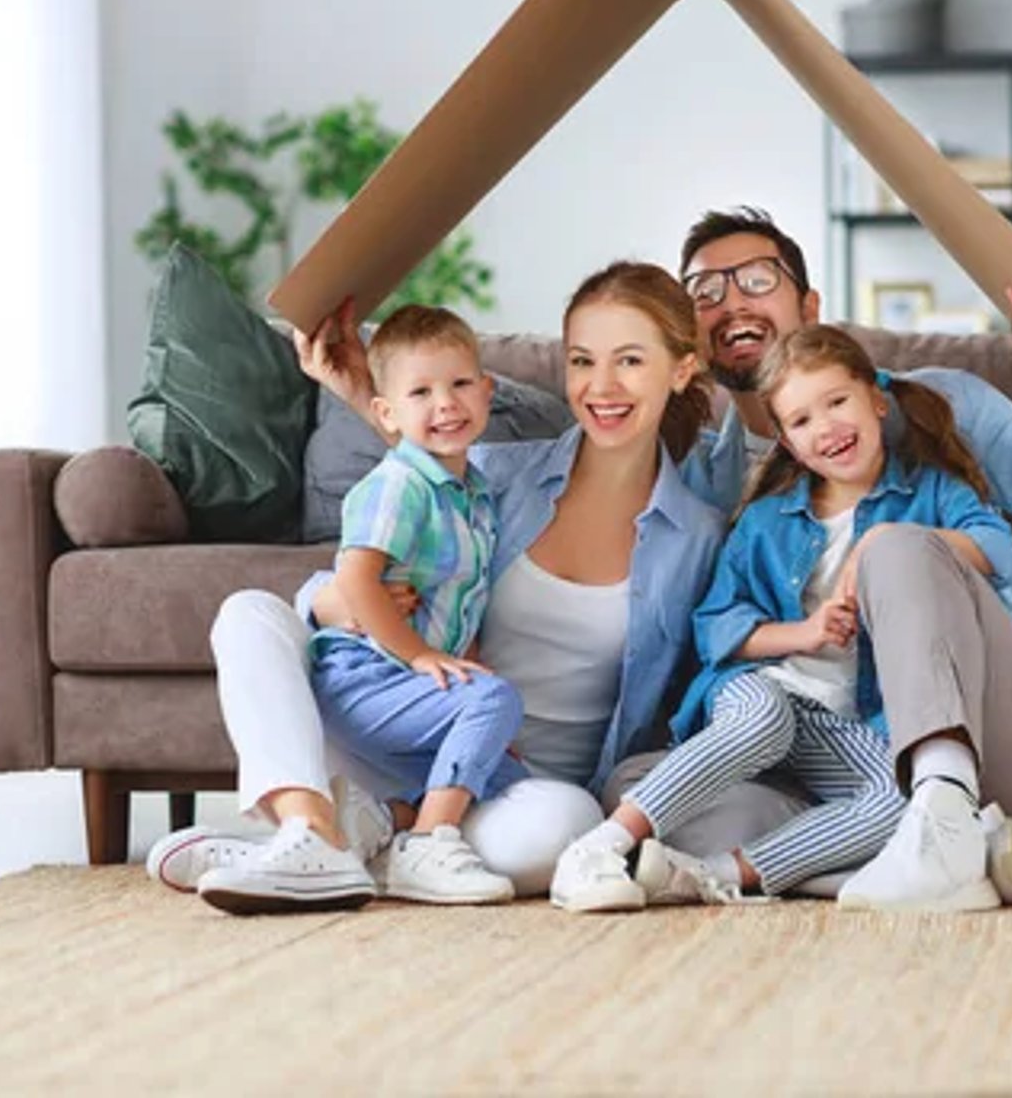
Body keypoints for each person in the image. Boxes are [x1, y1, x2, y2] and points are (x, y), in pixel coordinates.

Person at [147, 263, 725, 910]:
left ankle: (351, 838)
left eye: (630, 361)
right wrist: (333, 601)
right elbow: (413, 480)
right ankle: (311, 825)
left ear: (681, 369)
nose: (602, 385)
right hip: (401, 725)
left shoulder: (699, 535)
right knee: (250, 613)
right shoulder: (500, 476)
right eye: (584, 361)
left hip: (511, 788)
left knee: (567, 827)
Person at [603, 205, 1012, 912]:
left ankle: (940, 813)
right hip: (827, 757)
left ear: (809, 304)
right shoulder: (703, 478)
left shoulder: (937, 415)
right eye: (705, 292)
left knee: (899, 549)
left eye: (757, 279)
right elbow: (700, 627)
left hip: (992, 741)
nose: (731, 303)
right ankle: (859, 859)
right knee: (640, 788)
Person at [552, 326, 1012, 912]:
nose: (827, 428)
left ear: (876, 401)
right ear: (785, 441)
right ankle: (601, 845)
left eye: (837, 402)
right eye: (803, 421)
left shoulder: (930, 492)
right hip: (766, 692)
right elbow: (716, 625)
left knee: (903, 797)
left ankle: (717, 874)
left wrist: (892, 540)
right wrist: (805, 634)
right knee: (765, 719)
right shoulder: (767, 521)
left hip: (845, 723)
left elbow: (1001, 550)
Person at [211, 306, 518, 910]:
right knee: (498, 698)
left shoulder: (478, 497)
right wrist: (421, 654)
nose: (446, 404)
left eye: (459, 385)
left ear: (486, 392)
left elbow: (466, 608)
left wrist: (460, 675)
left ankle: (368, 824)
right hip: (364, 675)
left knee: (509, 778)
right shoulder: (400, 483)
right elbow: (355, 578)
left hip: (409, 687)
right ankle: (427, 844)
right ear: (386, 413)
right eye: (421, 392)